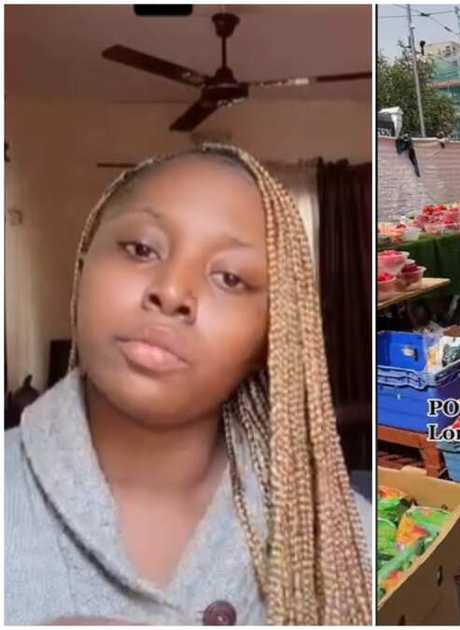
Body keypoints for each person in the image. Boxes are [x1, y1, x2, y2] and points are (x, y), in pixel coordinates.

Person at [4, 145, 372, 624]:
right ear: (84, 265)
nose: (173, 291)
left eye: (230, 278)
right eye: (141, 248)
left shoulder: (348, 542)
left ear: (270, 336)